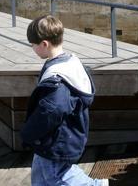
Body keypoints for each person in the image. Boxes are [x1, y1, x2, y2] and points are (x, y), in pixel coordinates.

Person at [22, 15, 108, 186]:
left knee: (57, 174)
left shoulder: (58, 80)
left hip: (57, 140)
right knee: (43, 173)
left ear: (44, 44)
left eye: (32, 45)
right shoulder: (70, 61)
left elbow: (51, 111)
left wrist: (28, 133)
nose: (32, 48)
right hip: (60, 136)